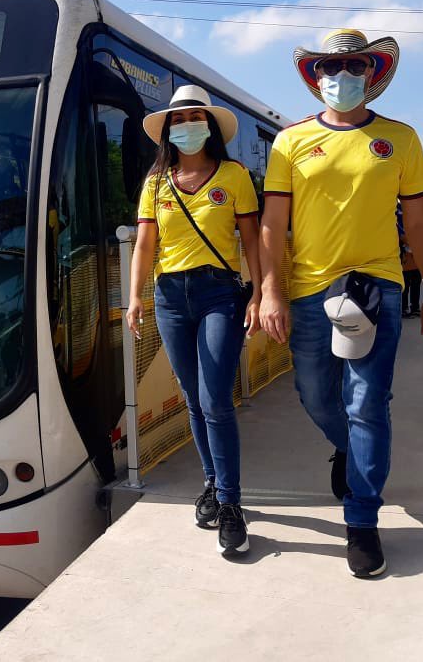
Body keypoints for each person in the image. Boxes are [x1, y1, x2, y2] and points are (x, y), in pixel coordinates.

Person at [259, 28, 423, 579]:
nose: (341, 77)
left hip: (378, 286)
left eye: (355, 66)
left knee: (368, 402)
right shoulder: (289, 142)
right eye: (329, 68)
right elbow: (273, 223)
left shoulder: (400, 139)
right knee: (315, 394)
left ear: (372, 73)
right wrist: (270, 289)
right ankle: (349, 449)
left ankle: (361, 521)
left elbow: (418, 222)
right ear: (315, 76)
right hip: (312, 287)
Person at [125, 84, 262, 557]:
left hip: (219, 293)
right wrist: (134, 297)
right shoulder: (156, 183)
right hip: (169, 297)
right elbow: (145, 244)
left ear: (209, 126)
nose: (186, 127)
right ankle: (211, 480)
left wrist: (260, 293)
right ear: (168, 130)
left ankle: (230, 503)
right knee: (192, 398)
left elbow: (251, 240)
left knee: (215, 399)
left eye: (194, 118)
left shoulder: (234, 175)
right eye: (178, 120)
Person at [397, 204, 422, 318]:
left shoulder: (412, 207)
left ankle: (415, 307)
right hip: (402, 251)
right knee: (405, 283)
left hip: (416, 250)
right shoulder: (393, 207)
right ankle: (403, 308)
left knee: (416, 281)